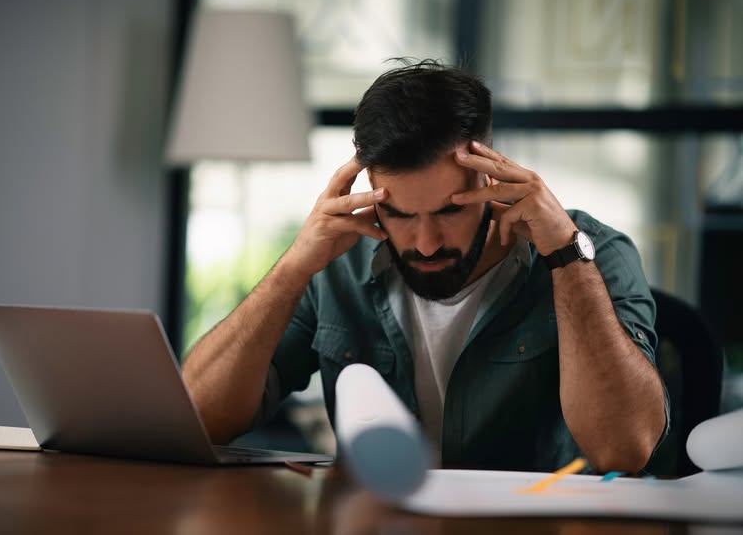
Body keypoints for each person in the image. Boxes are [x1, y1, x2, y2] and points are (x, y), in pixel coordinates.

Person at [182, 59, 669, 474]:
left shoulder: (589, 250)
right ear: (370, 189)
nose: (426, 243)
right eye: (399, 214)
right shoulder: (337, 261)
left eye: (450, 210)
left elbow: (625, 448)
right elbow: (197, 419)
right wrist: (292, 268)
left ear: (490, 173)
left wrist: (565, 254)